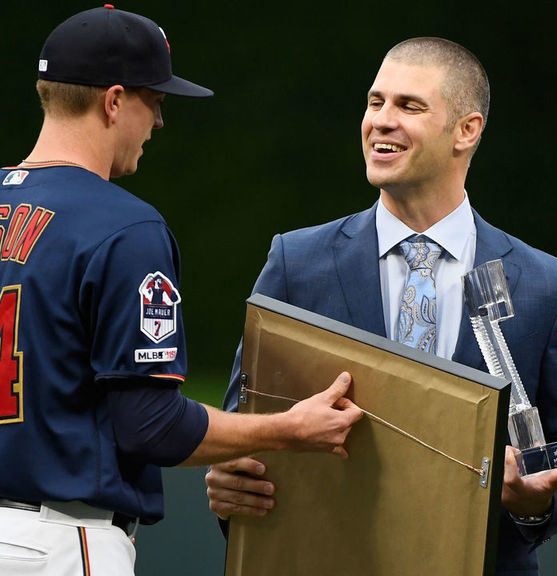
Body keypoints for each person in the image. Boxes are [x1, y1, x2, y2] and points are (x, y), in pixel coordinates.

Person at [206, 36, 557, 575]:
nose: (381, 121)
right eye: (375, 102)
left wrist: (538, 502)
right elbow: (244, 421)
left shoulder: (546, 285)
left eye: (409, 106)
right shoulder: (296, 263)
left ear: (467, 130)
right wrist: (230, 474)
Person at [0, 6, 361, 576]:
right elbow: (151, 425)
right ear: (113, 101)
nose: (159, 123)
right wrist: (286, 430)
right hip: (60, 543)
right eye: (156, 102)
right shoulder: (124, 228)